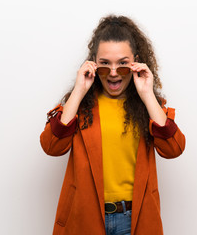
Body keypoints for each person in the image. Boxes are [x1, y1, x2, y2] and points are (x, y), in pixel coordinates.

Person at [40, 14, 186, 235]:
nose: (114, 73)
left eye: (123, 64)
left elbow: (174, 149)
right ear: (93, 64)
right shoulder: (81, 105)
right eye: (105, 65)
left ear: (136, 62)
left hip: (135, 219)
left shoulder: (147, 107)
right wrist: (79, 90)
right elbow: (51, 146)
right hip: (86, 219)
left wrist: (147, 95)